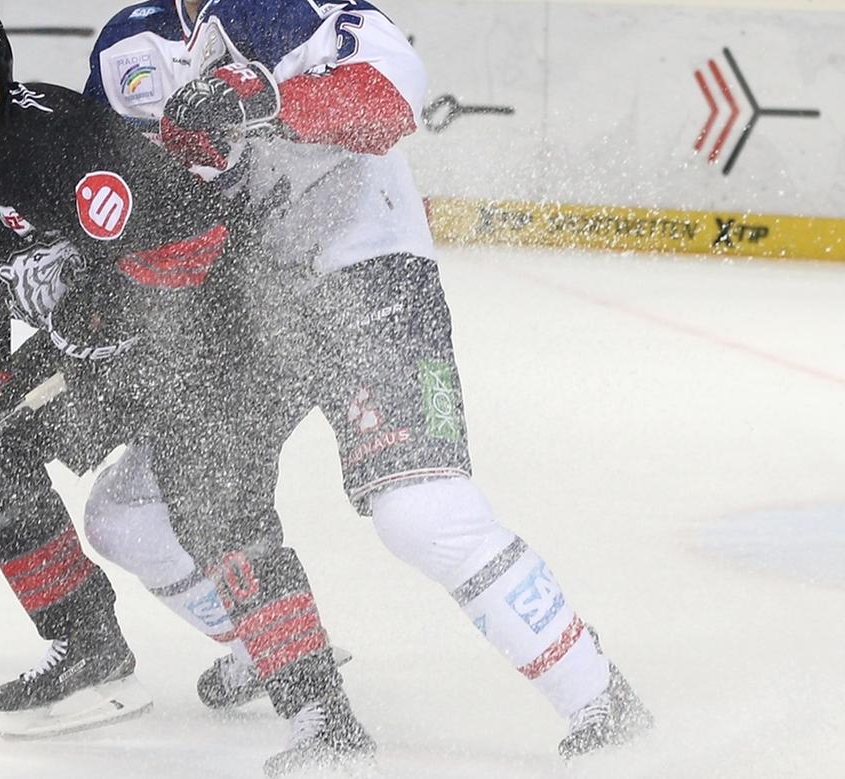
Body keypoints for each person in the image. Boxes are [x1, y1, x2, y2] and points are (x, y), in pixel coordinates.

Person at [83, 0, 655, 771]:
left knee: (420, 513)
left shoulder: (297, 10)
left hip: (367, 272)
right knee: (134, 511)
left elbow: (386, 103)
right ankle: (277, 662)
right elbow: (95, 181)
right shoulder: (127, 45)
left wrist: (262, 99)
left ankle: (599, 696)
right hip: (245, 303)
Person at [0, 0, 253, 739]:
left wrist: (113, 306)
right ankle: (91, 646)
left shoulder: (58, 139)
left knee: (180, 505)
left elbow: (197, 238)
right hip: (101, 351)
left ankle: (282, 644)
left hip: (209, 332)